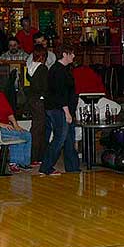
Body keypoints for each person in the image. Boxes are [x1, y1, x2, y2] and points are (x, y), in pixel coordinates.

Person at [39, 45, 80, 175]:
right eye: (71, 53)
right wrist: (67, 112)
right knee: (60, 139)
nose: (73, 56)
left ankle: (72, 167)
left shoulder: (61, 69)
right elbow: (60, 94)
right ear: (64, 54)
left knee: (68, 138)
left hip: (61, 109)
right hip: (59, 109)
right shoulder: (59, 71)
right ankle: (46, 166)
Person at [0, 71, 32, 173]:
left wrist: (16, 125)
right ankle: (15, 163)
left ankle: (22, 163)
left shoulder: (1, 95)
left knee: (26, 134)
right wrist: (2, 125)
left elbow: (9, 113)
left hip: (6, 127)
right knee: (23, 136)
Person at [26, 45, 49, 165]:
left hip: (32, 100)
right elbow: (45, 87)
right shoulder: (43, 69)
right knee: (39, 129)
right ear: (43, 56)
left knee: (35, 128)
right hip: (40, 101)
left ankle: (31, 155)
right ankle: (36, 157)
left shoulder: (30, 68)